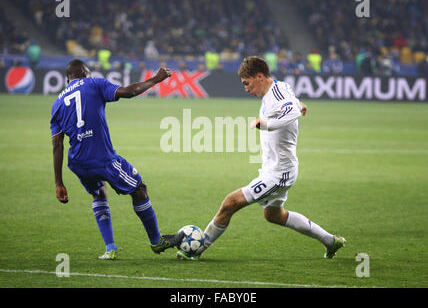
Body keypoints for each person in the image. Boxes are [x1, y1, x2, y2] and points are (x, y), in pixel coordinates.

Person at [177, 56, 346, 260]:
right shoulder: (279, 89)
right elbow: (293, 105)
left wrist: (266, 123)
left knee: (231, 202)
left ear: (259, 76)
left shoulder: (276, 93)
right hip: (272, 168)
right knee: (274, 215)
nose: (246, 89)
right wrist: (300, 105)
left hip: (280, 172)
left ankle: (197, 249)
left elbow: (291, 110)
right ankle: (330, 241)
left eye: (247, 83)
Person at [51, 59, 183, 260]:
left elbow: (57, 145)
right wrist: (156, 79)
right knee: (140, 189)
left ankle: (110, 248)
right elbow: (128, 92)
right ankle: (156, 241)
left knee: (99, 193)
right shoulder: (94, 83)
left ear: (67, 79)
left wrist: (59, 182)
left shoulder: (57, 104)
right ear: (86, 74)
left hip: (77, 162)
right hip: (102, 158)